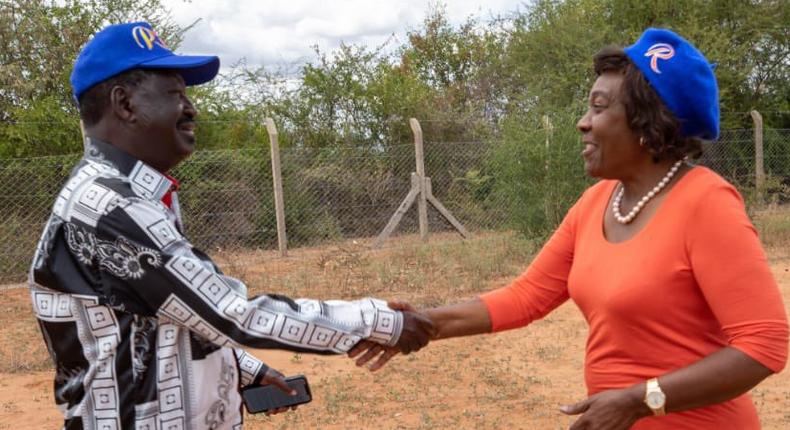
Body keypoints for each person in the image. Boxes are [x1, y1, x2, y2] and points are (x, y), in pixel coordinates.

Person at [350, 28, 788, 429]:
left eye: (599, 107)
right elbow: (527, 297)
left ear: (647, 124)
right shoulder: (596, 202)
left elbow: (763, 345)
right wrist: (423, 323)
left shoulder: (706, 203)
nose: (583, 122)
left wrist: (639, 401)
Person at [28, 22, 435, 430]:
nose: (191, 109)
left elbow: (158, 316)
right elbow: (229, 311)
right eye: (175, 94)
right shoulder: (111, 207)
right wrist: (380, 321)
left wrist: (239, 366)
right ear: (125, 104)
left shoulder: (135, 195)